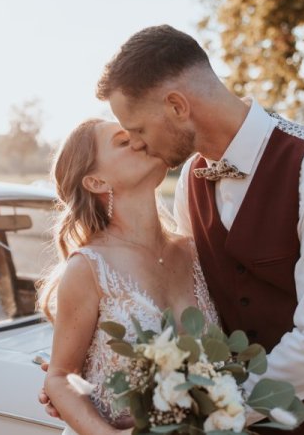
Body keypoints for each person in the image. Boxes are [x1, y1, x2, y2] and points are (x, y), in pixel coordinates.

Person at [94, 24, 304, 434]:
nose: (138, 144)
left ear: (176, 106)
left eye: (137, 129)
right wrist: (97, 368)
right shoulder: (190, 178)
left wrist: (204, 410)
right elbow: (200, 309)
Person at [38, 118, 220, 434]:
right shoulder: (89, 268)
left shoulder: (194, 251)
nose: (141, 140)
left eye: (137, 132)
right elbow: (60, 377)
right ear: (95, 181)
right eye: (123, 141)